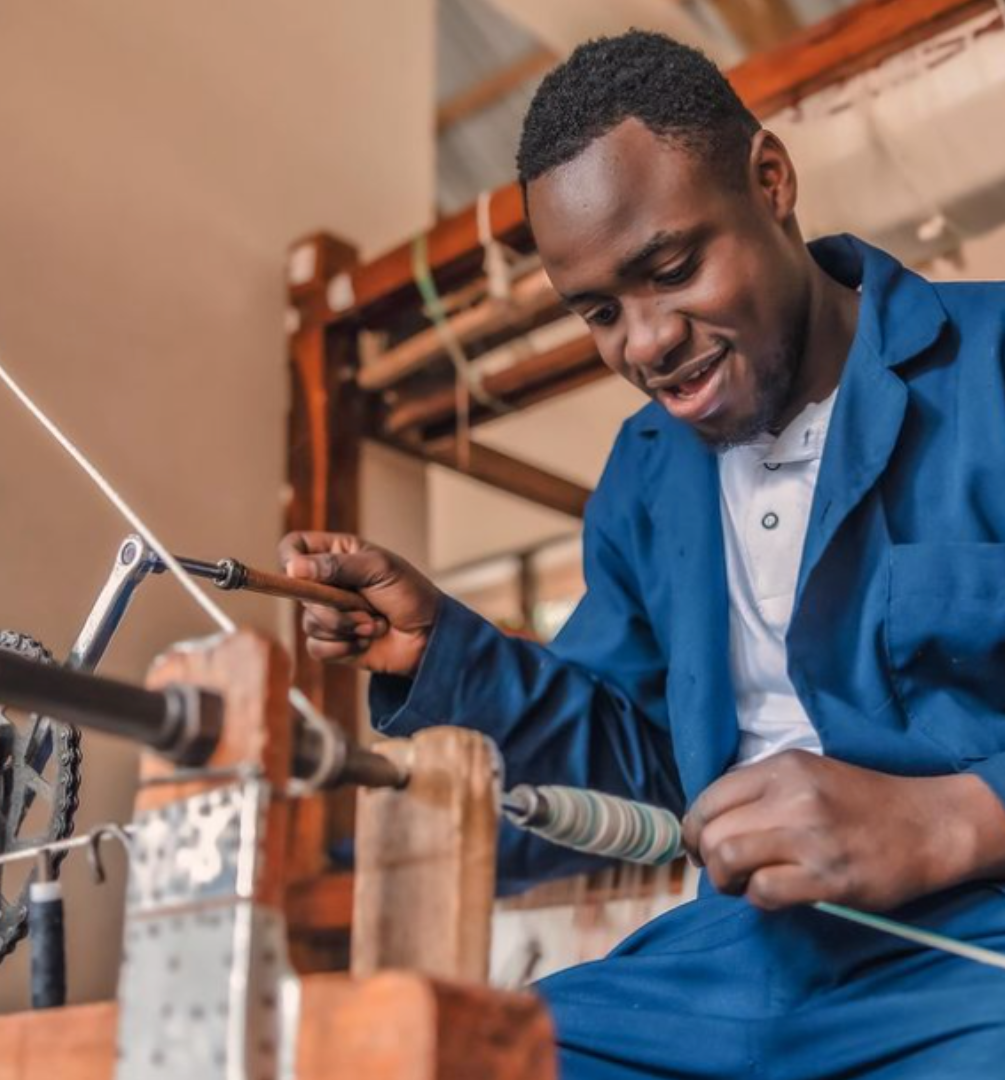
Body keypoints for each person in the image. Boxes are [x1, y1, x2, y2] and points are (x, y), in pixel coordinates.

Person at [280, 31, 1005, 1079]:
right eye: (599, 314)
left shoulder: (988, 370)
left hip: (974, 943)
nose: (646, 343)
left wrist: (950, 820)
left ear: (771, 181)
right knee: (452, 1059)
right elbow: (638, 762)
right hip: (737, 962)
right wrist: (438, 655)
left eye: (671, 270)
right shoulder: (647, 473)